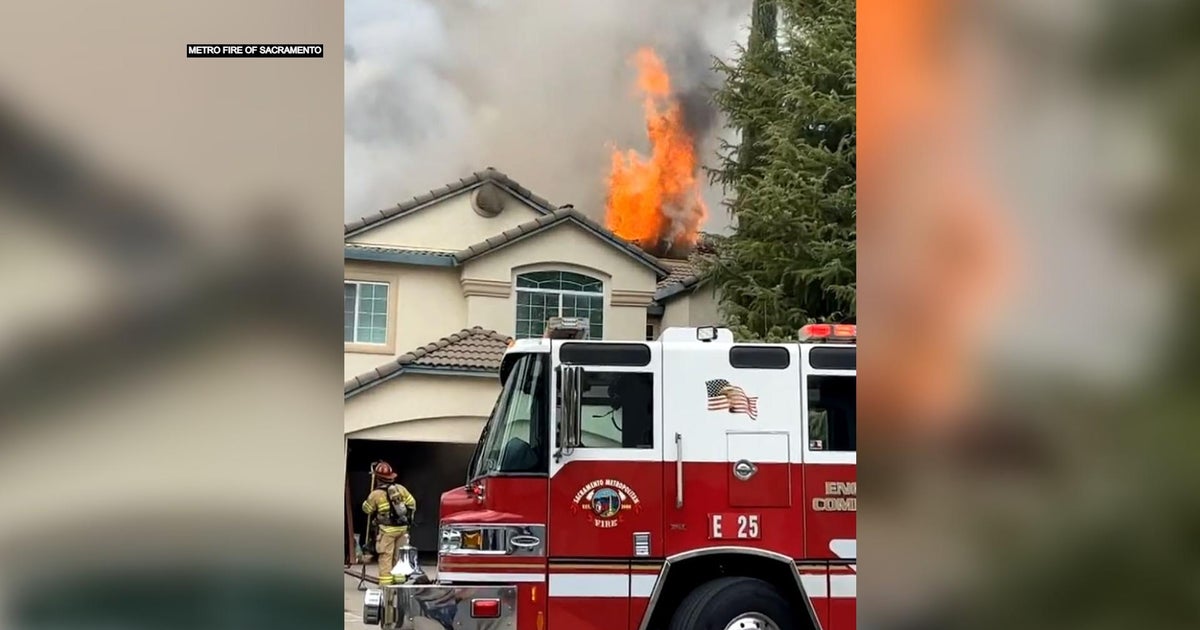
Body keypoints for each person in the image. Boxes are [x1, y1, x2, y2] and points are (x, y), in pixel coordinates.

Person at [361, 461, 417, 586]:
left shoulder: (375, 494)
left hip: (387, 531)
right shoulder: (401, 489)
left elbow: (367, 510)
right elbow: (412, 504)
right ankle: (399, 584)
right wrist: (408, 519)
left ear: (377, 478)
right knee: (399, 557)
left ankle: (386, 586)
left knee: (386, 557)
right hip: (402, 529)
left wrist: (367, 501)